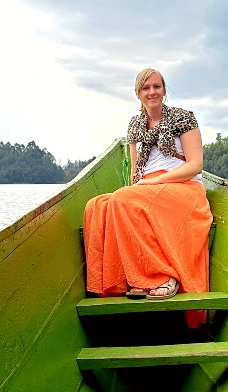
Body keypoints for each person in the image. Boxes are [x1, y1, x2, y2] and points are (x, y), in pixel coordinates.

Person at [83, 68, 212, 322]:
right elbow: (135, 171)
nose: (152, 92)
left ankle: (163, 275)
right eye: (145, 88)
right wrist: (140, 185)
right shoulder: (134, 125)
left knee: (122, 199)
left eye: (156, 86)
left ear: (164, 90)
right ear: (137, 93)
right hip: (146, 188)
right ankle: (120, 282)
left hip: (182, 187)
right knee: (96, 206)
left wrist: (154, 182)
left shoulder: (182, 118)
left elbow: (195, 165)